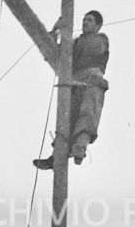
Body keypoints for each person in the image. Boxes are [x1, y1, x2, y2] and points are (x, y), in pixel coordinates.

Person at [33, 10, 109, 170]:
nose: (85, 23)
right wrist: (57, 30)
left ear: (98, 25)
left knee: (87, 115)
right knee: (66, 121)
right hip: (73, 84)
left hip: (92, 83)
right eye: (84, 20)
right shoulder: (75, 43)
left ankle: (80, 148)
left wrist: (69, 43)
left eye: (89, 20)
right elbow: (52, 52)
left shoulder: (100, 39)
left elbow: (92, 49)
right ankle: (56, 157)